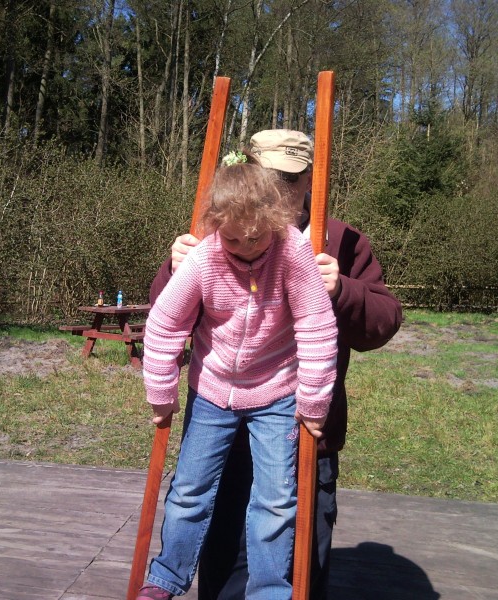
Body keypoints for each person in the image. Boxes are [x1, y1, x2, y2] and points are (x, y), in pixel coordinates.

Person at [149, 129, 403, 599]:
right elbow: (168, 314)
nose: (279, 190)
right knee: (221, 565)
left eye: (290, 178)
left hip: (300, 429)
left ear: (310, 179)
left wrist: (342, 290)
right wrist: (173, 268)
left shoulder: (340, 239)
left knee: (299, 559)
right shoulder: (217, 230)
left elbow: (384, 322)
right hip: (221, 423)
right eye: (269, 176)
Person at [136, 151, 339, 600]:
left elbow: (316, 326)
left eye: (255, 239)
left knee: (276, 499)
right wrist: (161, 394)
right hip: (213, 389)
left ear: (276, 220)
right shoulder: (206, 257)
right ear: (216, 226)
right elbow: (166, 323)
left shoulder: (293, 252)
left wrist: (312, 402)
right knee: (189, 490)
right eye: (232, 239)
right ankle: (165, 577)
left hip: (277, 393)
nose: (245, 249)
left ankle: (268, 590)